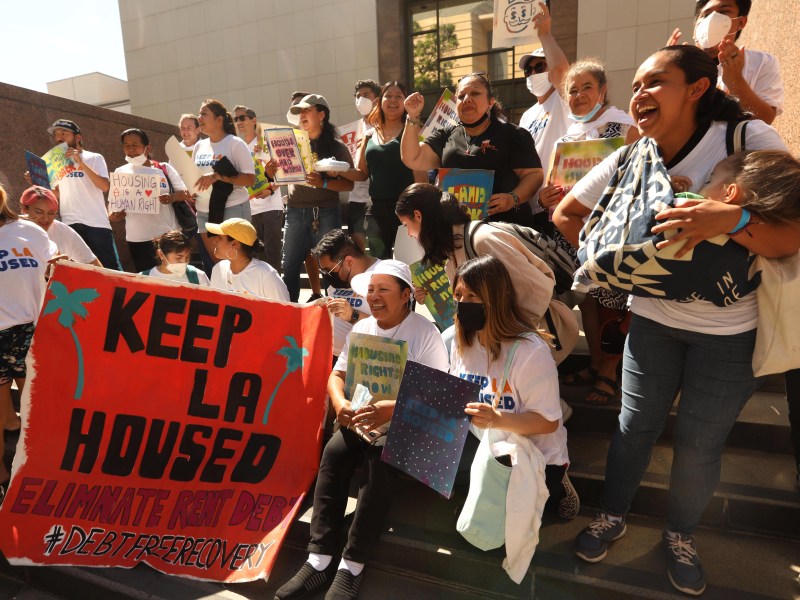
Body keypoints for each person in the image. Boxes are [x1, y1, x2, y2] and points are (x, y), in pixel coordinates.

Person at [553, 45, 793, 596]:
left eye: (654, 82)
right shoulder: (629, 155)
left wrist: (734, 217)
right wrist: (622, 278)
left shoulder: (747, 141)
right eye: (635, 84)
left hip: (732, 335)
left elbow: (793, 231)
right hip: (652, 326)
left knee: (701, 445)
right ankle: (612, 515)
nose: (639, 95)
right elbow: (568, 215)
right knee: (632, 428)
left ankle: (681, 534)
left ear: (697, 89)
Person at [274, 260, 448, 600]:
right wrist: (340, 405)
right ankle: (319, 557)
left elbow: (436, 394)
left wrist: (391, 408)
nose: (375, 296)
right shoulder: (363, 328)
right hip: (363, 415)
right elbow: (337, 375)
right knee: (335, 451)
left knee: (379, 457)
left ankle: (352, 564)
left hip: (408, 421)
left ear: (406, 295)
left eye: (384, 289)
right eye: (370, 290)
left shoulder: (426, 333)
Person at [450, 256, 578, 535]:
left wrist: (497, 419)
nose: (462, 303)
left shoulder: (529, 351)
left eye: (472, 295)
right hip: (485, 443)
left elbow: (547, 422)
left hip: (534, 452)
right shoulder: (457, 340)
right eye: (458, 294)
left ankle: (558, 483)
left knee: (510, 531)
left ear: (495, 299)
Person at [538, 58, 638, 404]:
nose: (579, 95)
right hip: (576, 231)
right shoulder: (566, 140)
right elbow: (552, 188)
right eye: (573, 90)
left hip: (616, 231)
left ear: (603, 90)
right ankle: (597, 362)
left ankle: (611, 370)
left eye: (587, 87)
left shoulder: (626, 128)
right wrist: (545, 195)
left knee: (612, 301)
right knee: (590, 300)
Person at [395, 183, 578, 367]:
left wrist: (495, 337)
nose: (409, 234)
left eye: (406, 225)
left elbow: (537, 292)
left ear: (418, 216)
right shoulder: (453, 249)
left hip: (534, 338)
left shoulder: (482, 239)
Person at [401, 73, 543, 227]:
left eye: (475, 93)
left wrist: (512, 198)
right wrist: (412, 116)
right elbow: (412, 158)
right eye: (461, 96)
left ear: (490, 102)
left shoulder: (513, 134)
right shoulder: (446, 135)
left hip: (504, 231)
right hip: (458, 231)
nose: (467, 99)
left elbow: (533, 176)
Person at [0, 185, 57, 484]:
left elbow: (55, 264)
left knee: (37, 407)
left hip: (30, 330)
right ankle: (3, 476)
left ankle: (41, 471)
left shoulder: (30, 232)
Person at [340, 82, 427, 259]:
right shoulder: (369, 135)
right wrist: (338, 171)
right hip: (376, 209)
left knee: (410, 261)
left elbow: (420, 172)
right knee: (379, 263)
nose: (393, 100)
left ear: (406, 101)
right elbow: (361, 173)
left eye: (399, 96)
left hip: (408, 207)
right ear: (380, 101)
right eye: (388, 96)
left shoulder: (414, 129)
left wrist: (424, 206)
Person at [283, 94, 354, 302]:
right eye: (299, 112)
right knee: (289, 265)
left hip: (326, 212)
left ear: (321, 114)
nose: (302, 115)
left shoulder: (336, 147)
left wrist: (323, 183)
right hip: (295, 211)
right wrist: (271, 171)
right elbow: (276, 177)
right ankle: (290, 314)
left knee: (331, 264)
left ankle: (331, 315)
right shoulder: (290, 143)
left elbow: (349, 183)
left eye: (307, 110)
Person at [667, 0, 783, 124]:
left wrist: (735, 80)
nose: (711, 19)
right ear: (696, 26)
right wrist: (665, 73)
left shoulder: (761, 63)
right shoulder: (680, 65)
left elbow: (765, 119)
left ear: (741, 22)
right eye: (705, 15)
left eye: (724, 11)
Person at [517, 2, 570, 226]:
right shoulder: (527, 116)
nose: (532, 73)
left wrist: (545, 35)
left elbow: (561, 72)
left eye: (540, 67)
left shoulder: (563, 100)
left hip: (562, 202)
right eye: (528, 70)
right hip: (534, 208)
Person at [43, 119, 122, 270]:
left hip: (96, 223)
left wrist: (80, 163)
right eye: (56, 134)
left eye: (64, 133)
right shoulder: (56, 164)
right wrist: (37, 181)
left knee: (109, 270)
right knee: (76, 271)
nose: (59, 137)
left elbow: (105, 186)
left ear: (78, 137)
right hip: (69, 223)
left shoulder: (94, 158)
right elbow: (58, 193)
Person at [110, 128, 191, 272]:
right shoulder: (120, 172)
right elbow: (113, 203)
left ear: (147, 147)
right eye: (126, 145)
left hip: (166, 236)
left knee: (174, 276)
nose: (131, 149)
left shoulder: (163, 168)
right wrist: (114, 215)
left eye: (135, 145)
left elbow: (185, 193)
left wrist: (171, 198)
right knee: (147, 279)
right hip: (137, 238)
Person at [193, 99, 256, 262]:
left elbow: (250, 179)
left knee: (236, 262)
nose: (199, 118)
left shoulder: (235, 144)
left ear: (219, 119)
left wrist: (218, 177)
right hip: (203, 212)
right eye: (199, 114)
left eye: (204, 114)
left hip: (232, 209)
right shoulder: (199, 146)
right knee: (218, 263)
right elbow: (196, 178)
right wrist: (191, 191)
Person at [311, 229, 380, 360]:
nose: (328, 277)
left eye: (329, 271)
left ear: (349, 261)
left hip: (369, 361)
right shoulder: (339, 279)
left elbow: (393, 327)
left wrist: (353, 315)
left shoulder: (384, 276)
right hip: (336, 360)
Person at [234, 104, 283, 272]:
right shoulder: (238, 147)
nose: (238, 122)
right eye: (236, 119)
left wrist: (270, 189)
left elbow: (283, 171)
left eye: (242, 118)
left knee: (272, 256)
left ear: (253, 120)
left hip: (271, 206)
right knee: (256, 257)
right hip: (250, 210)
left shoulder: (265, 142)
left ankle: (278, 295)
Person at [206, 218, 289, 301]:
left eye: (219, 237)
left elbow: (285, 312)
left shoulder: (267, 276)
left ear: (235, 244)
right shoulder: (217, 269)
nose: (214, 241)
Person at [20, 186, 100, 267]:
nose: (46, 218)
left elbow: (96, 268)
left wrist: (66, 270)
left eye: (51, 213)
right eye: (39, 212)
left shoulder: (64, 231)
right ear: (25, 209)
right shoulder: (10, 229)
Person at [346, 79, 381, 251]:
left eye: (366, 95)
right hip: (355, 197)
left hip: (377, 197)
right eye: (358, 96)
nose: (361, 99)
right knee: (358, 249)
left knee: (378, 248)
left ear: (377, 98)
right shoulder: (349, 131)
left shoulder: (385, 126)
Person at [141, 230, 210, 286]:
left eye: (187, 257)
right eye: (178, 257)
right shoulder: (141, 279)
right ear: (161, 254)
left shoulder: (198, 276)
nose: (184, 261)